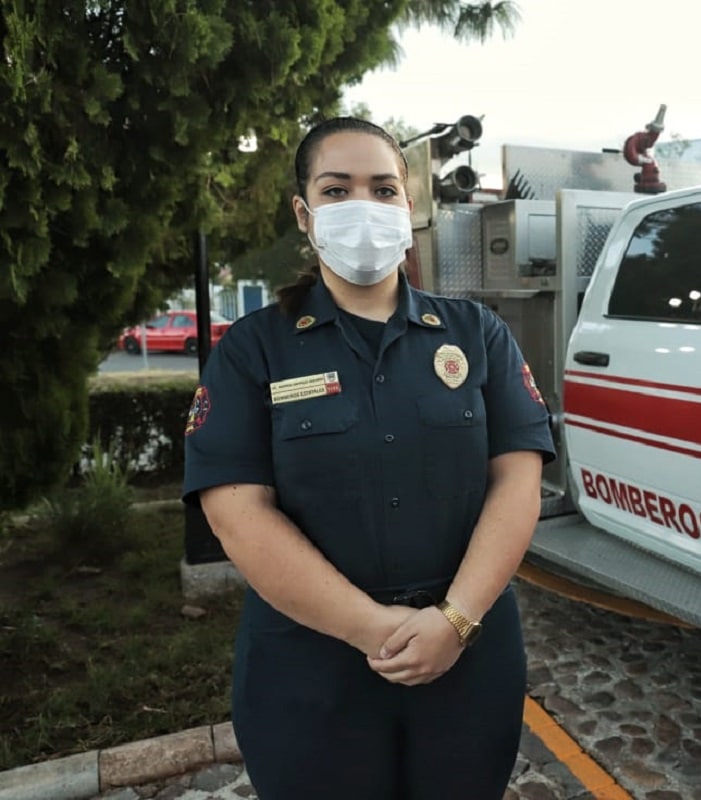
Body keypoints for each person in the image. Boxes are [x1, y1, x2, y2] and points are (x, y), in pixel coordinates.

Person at [182, 116, 555, 799]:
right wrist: (374, 629)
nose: (364, 207)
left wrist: (455, 621)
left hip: (466, 659)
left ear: (407, 208)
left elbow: (517, 481)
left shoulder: (477, 334)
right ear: (304, 212)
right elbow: (238, 514)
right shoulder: (252, 351)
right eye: (337, 189)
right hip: (310, 668)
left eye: (384, 189)